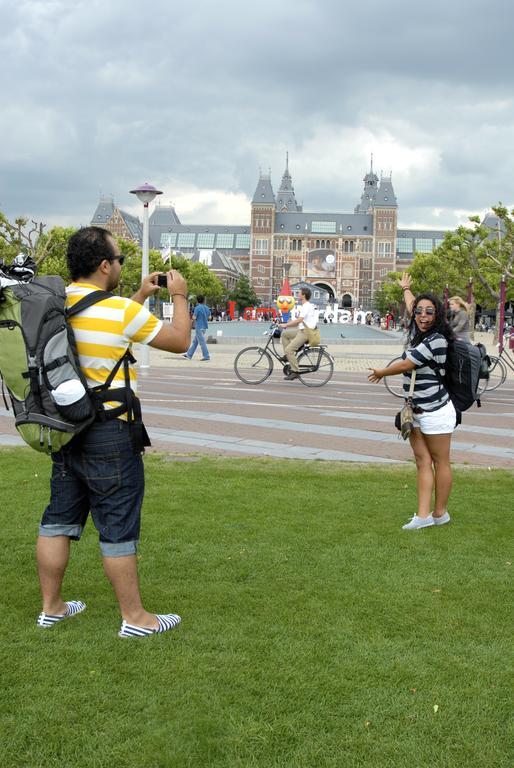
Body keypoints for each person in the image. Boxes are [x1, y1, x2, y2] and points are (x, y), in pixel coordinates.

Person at [36, 226, 191, 637]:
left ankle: (51, 608)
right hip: (109, 431)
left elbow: (103, 333)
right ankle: (135, 619)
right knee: (117, 523)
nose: (121, 264)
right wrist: (179, 295)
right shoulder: (121, 313)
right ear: (105, 265)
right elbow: (179, 340)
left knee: (58, 519)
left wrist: (139, 296)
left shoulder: (54, 304)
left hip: (66, 427)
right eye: (120, 258)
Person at [367, 272, 456, 531]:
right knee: (422, 462)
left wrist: (382, 372)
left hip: (436, 410)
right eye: (419, 312)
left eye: (429, 312)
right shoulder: (419, 328)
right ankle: (423, 516)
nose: (423, 316)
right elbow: (411, 306)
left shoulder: (437, 339)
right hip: (414, 410)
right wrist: (407, 289)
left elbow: (408, 363)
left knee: (441, 462)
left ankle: (440, 513)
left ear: (438, 314)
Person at [280, 287, 319, 381]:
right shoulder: (306, 305)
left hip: (306, 333)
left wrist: (286, 324)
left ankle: (295, 372)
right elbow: (300, 322)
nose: (297, 294)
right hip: (302, 330)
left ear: (304, 295)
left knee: (289, 349)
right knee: (285, 334)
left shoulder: (306, 306)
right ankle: (288, 357)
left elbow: (299, 320)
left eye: (299, 293)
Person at [183, 294, 211, 361]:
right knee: (195, 342)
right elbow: (209, 318)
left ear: (197, 301)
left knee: (202, 343)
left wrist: (191, 322)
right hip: (204, 327)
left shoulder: (197, 308)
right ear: (203, 300)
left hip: (199, 327)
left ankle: (206, 356)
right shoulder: (207, 308)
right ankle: (189, 355)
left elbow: (194, 318)